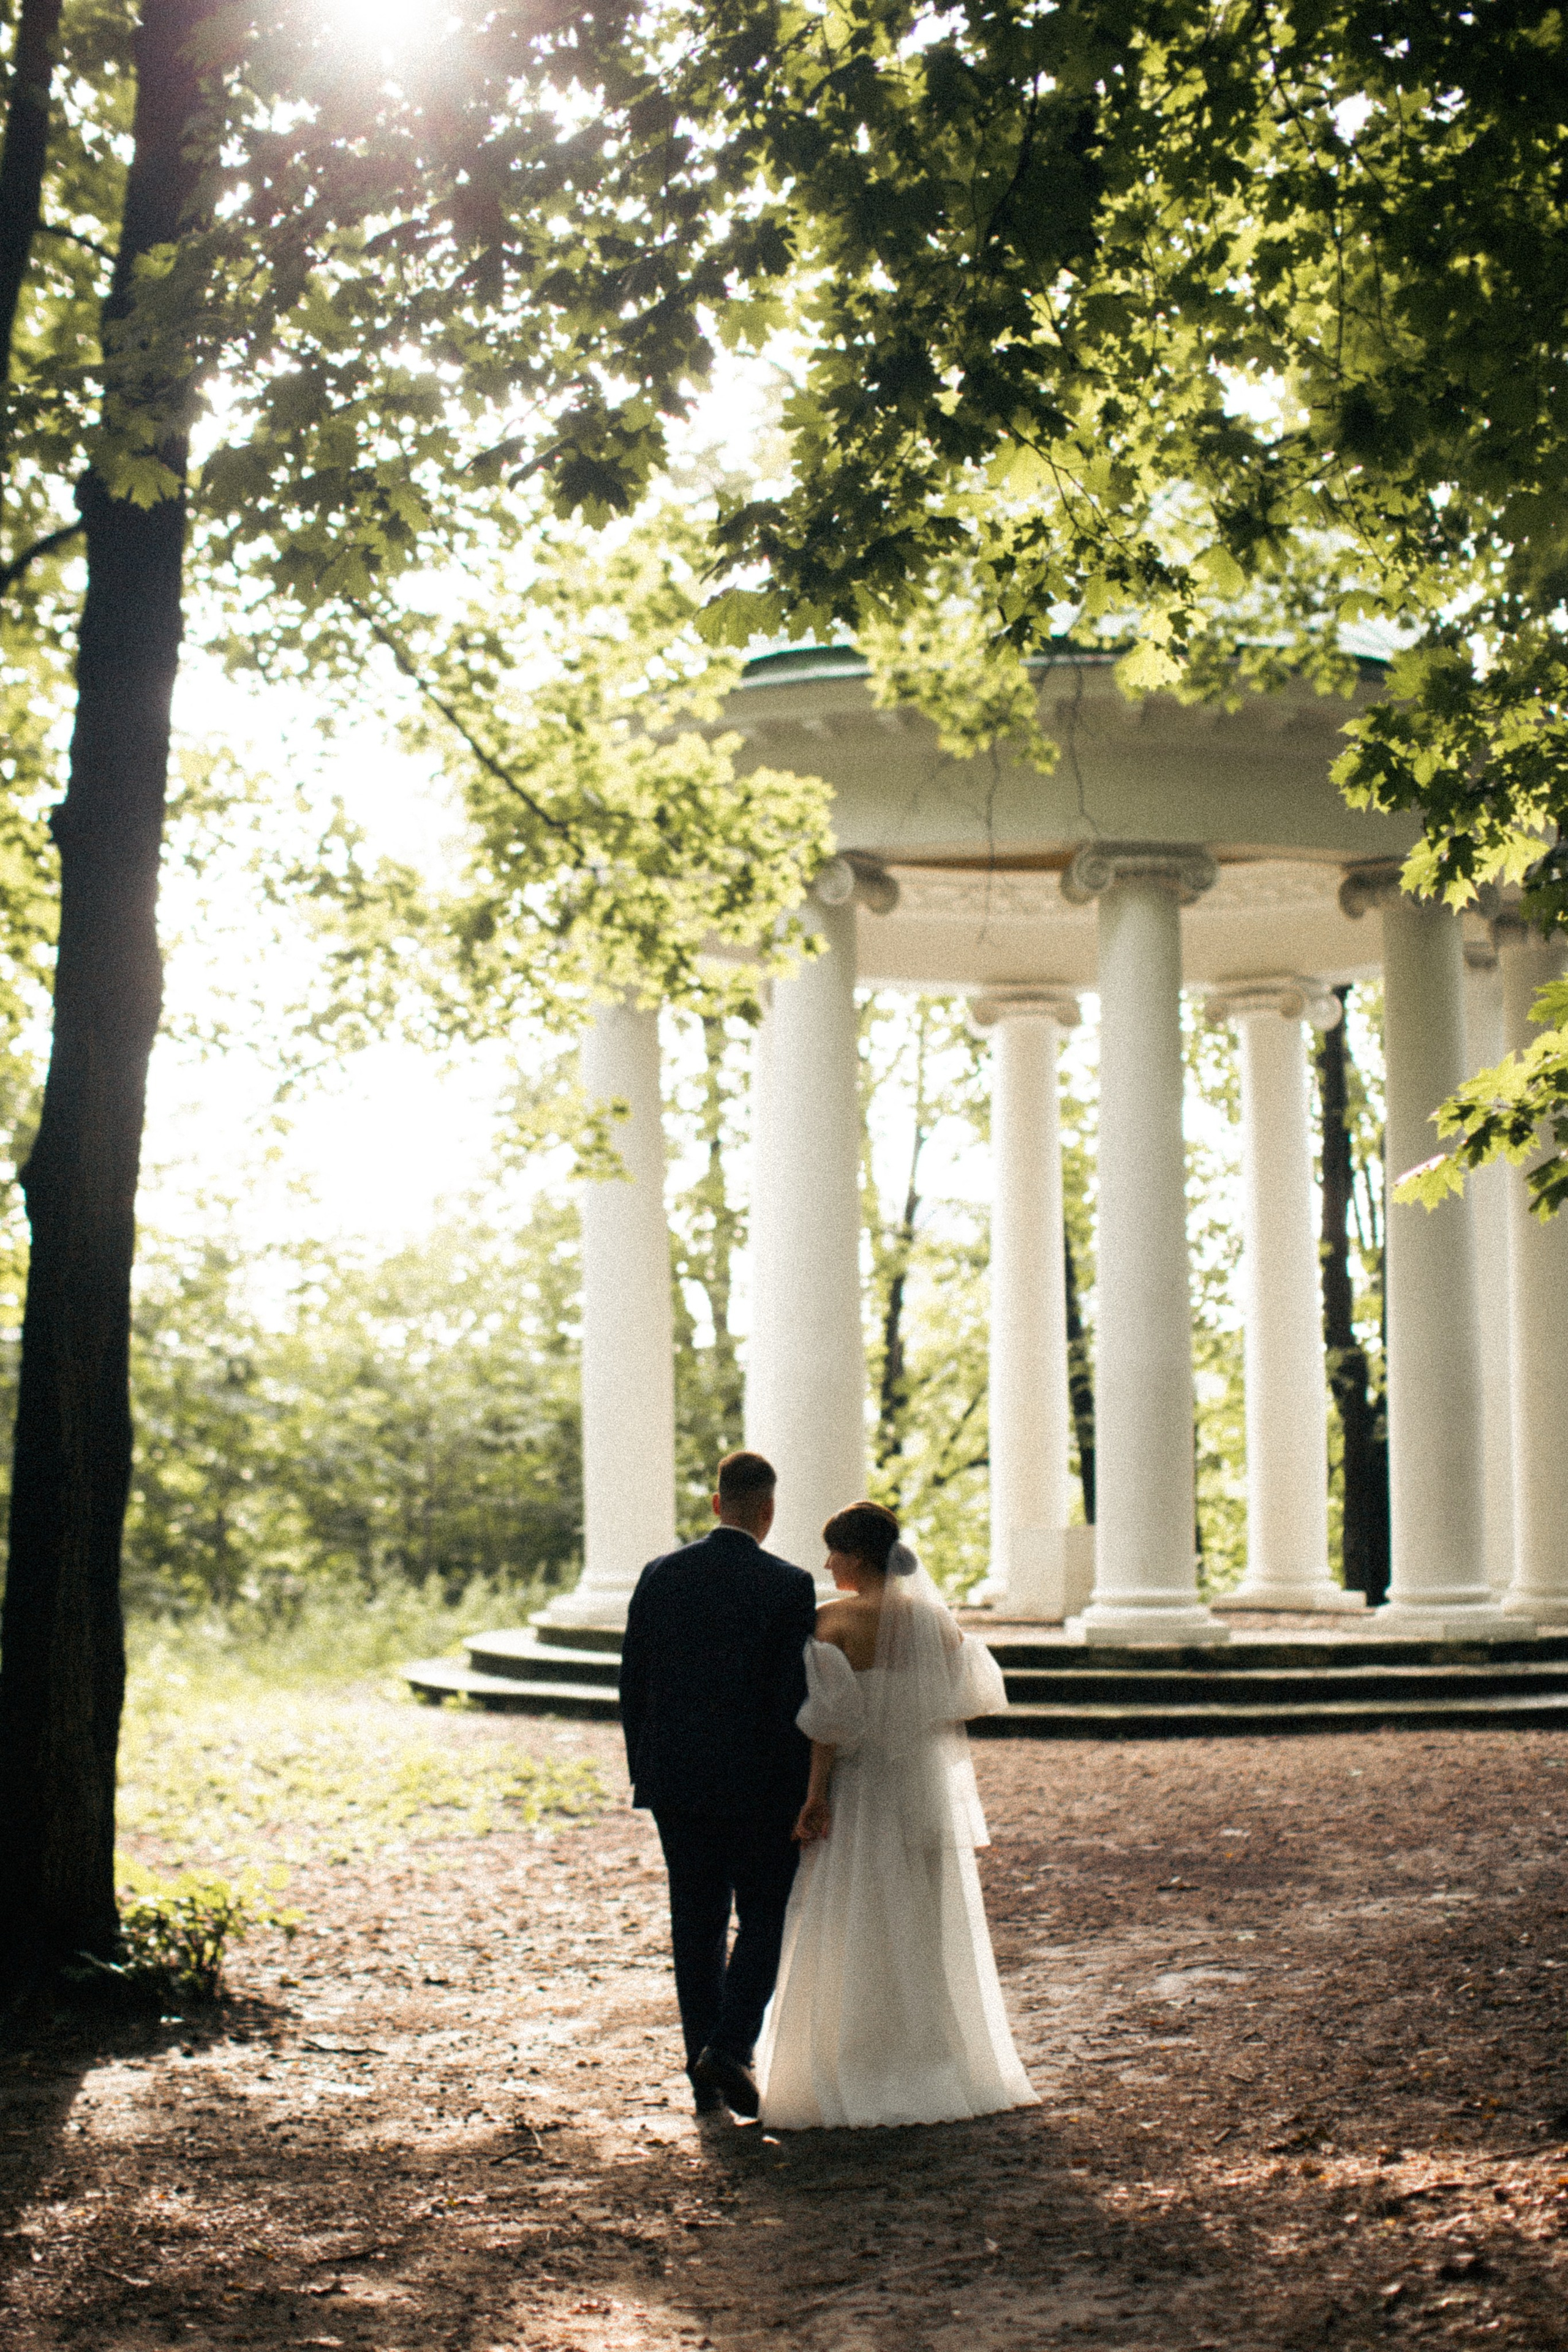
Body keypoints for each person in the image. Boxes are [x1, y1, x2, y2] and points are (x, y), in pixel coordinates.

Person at [755, 1499, 1038, 2130]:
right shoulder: (936, 1623)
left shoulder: (830, 1621)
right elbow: (966, 1698)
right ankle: (934, 2062)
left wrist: (814, 1794)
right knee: (921, 1921)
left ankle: (855, 2062)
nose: (827, 1564)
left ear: (855, 1558)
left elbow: (829, 1725)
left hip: (859, 1790)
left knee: (851, 1916)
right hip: (919, 1790)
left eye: (833, 1552)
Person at [619, 1449, 817, 2119]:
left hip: (675, 1782)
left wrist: (644, 1768)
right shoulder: (788, 1585)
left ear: (715, 1504)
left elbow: (633, 1683)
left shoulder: (659, 1574)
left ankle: (703, 2077)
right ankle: (731, 2047)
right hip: (759, 1788)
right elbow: (792, 1700)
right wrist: (800, 1795)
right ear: (768, 1511)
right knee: (762, 1917)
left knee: (694, 1924)